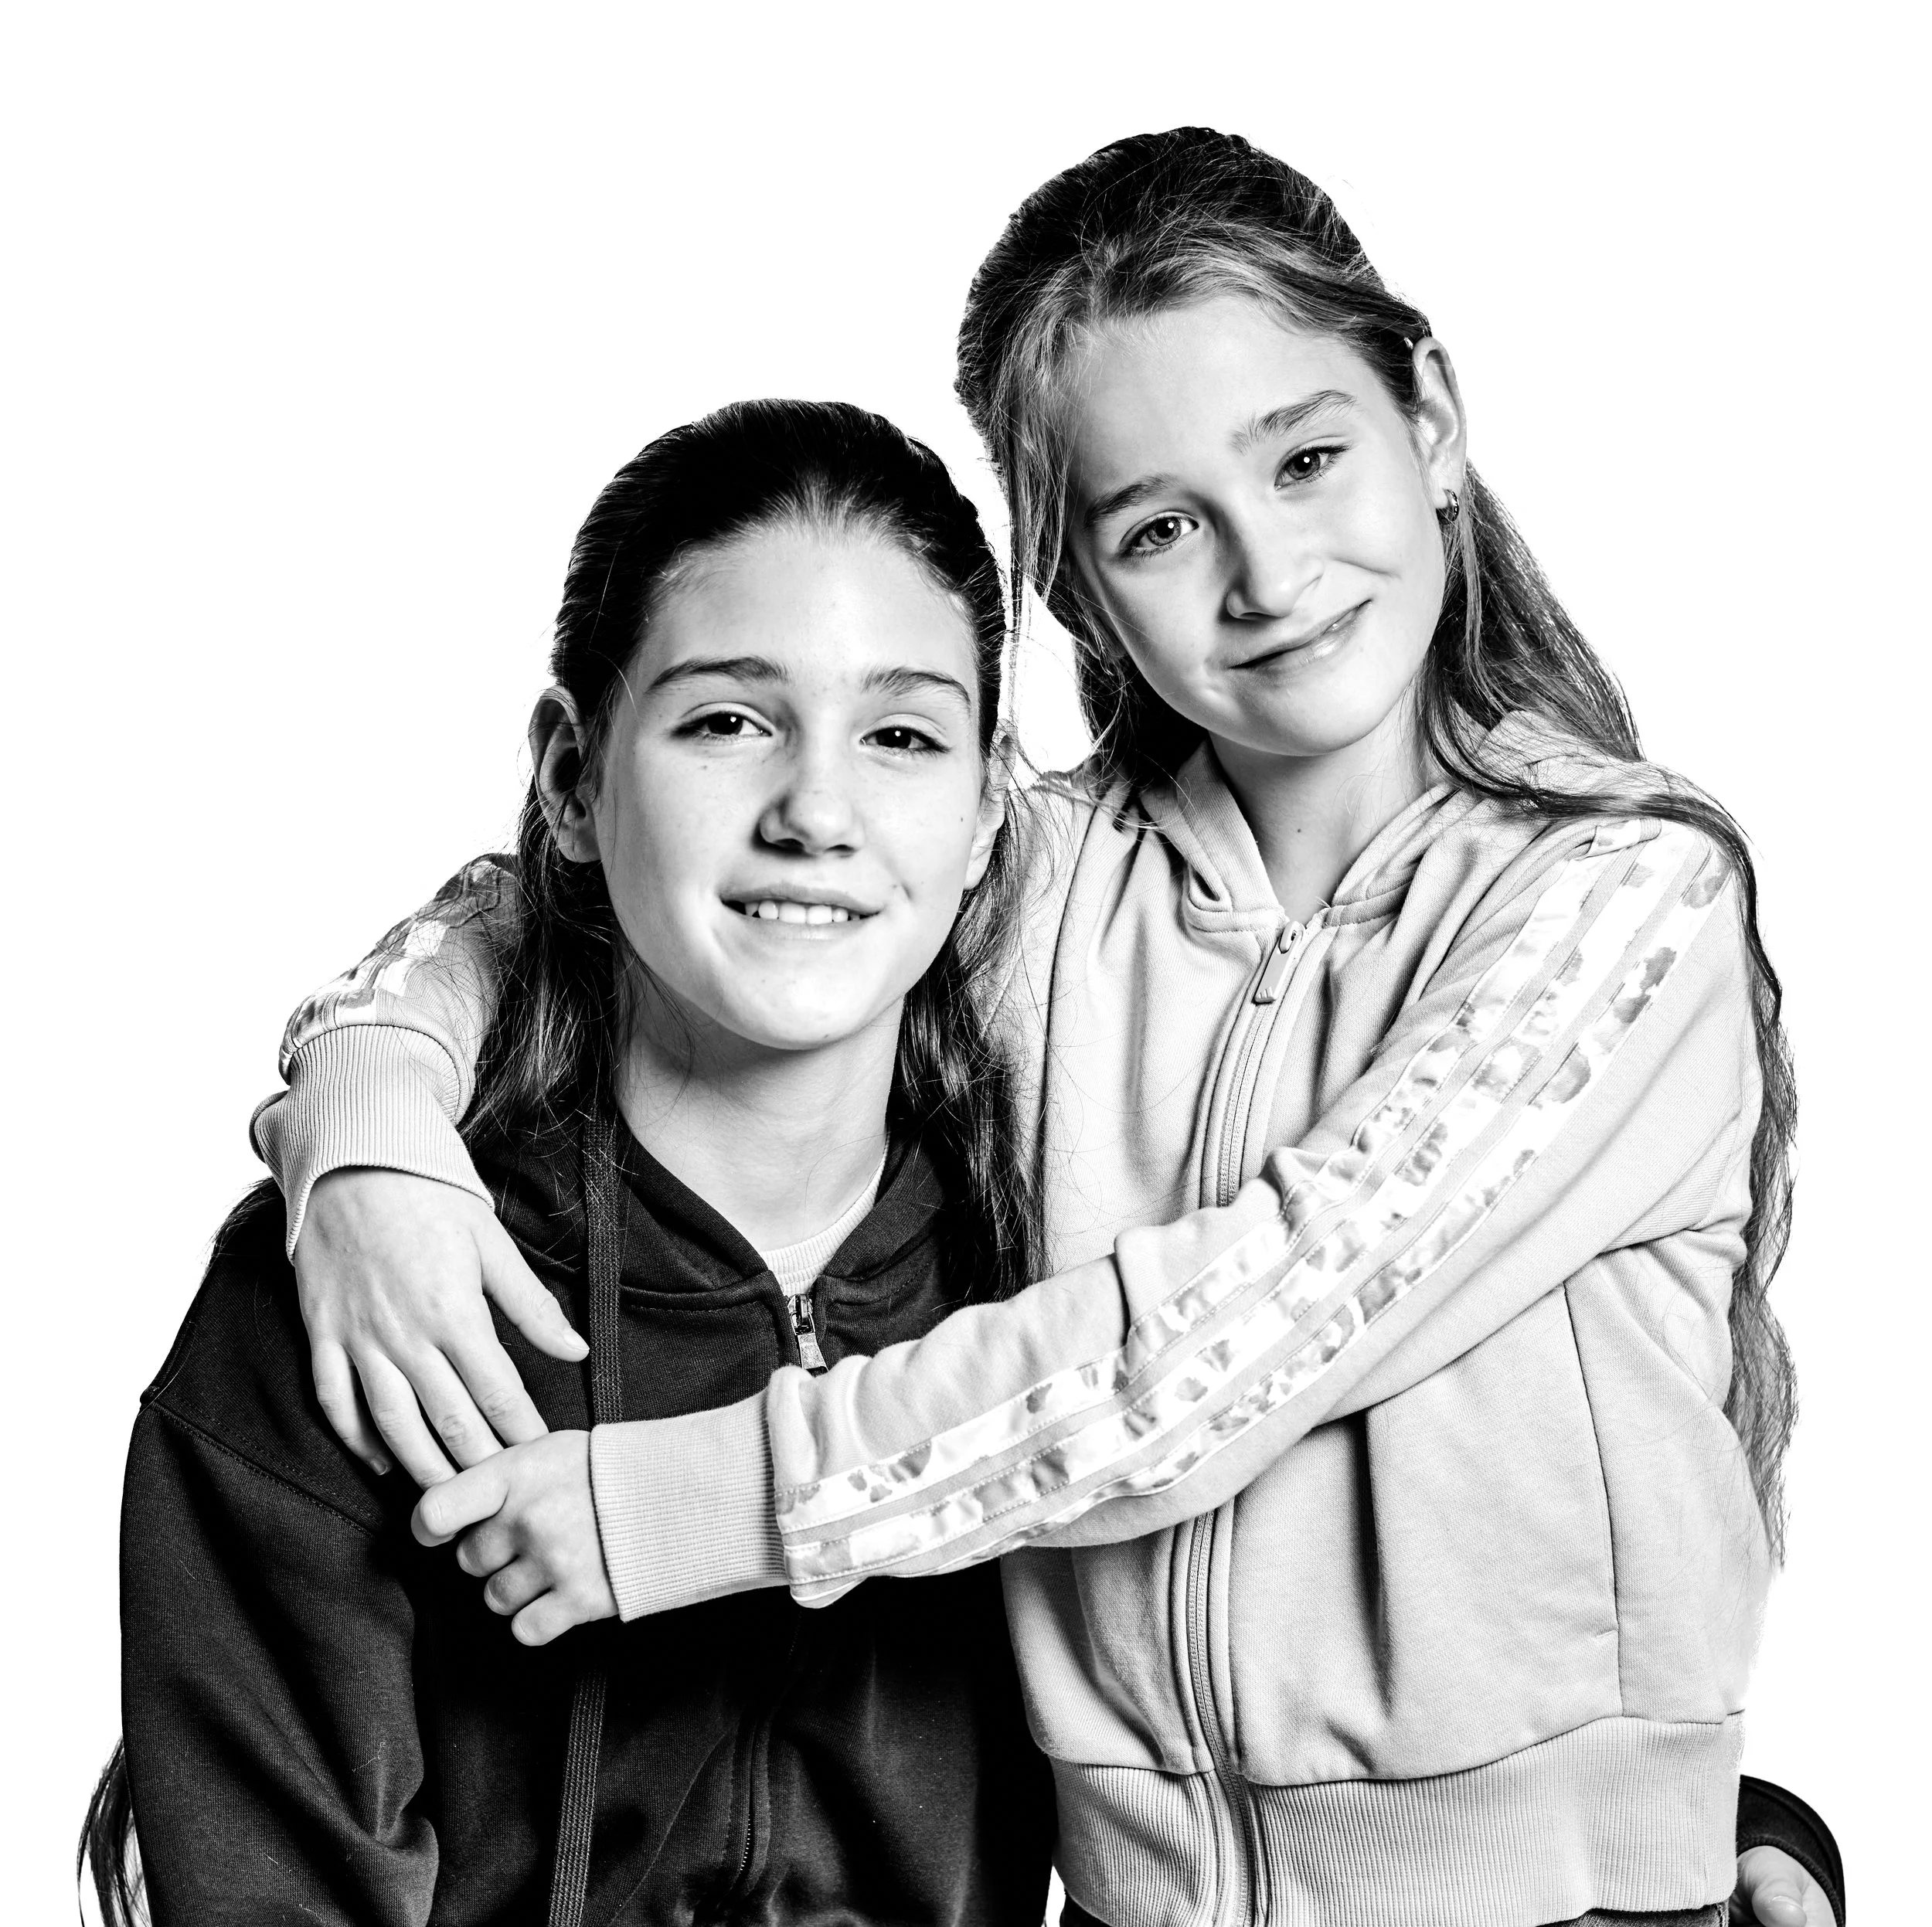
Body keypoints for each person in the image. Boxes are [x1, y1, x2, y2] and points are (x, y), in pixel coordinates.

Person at [240, 134, 1842, 1927]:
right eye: (1157, 526)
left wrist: (684, 1501)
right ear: (1071, 587)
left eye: (1307, 459)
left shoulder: (1616, 899)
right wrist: (366, 1108)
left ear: (1435, 422)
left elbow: (1235, 1338)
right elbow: (601, 882)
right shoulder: (1051, 885)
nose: (1265, 571)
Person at [93, 400, 1060, 1926]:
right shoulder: (357, 1296)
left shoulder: (1052, 1278)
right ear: (568, 778)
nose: (816, 809)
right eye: (726, 720)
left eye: (900, 733)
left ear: (988, 811)